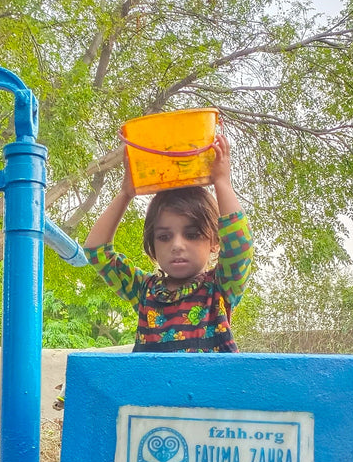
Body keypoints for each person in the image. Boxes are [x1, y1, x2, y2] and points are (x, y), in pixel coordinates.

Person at [83, 133, 253, 352]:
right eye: (164, 237)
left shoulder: (221, 287)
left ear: (214, 241)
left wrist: (222, 182)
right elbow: (96, 251)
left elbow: (239, 244)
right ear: (152, 246)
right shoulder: (144, 291)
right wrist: (126, 193)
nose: (177, 245)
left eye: (192, 235)